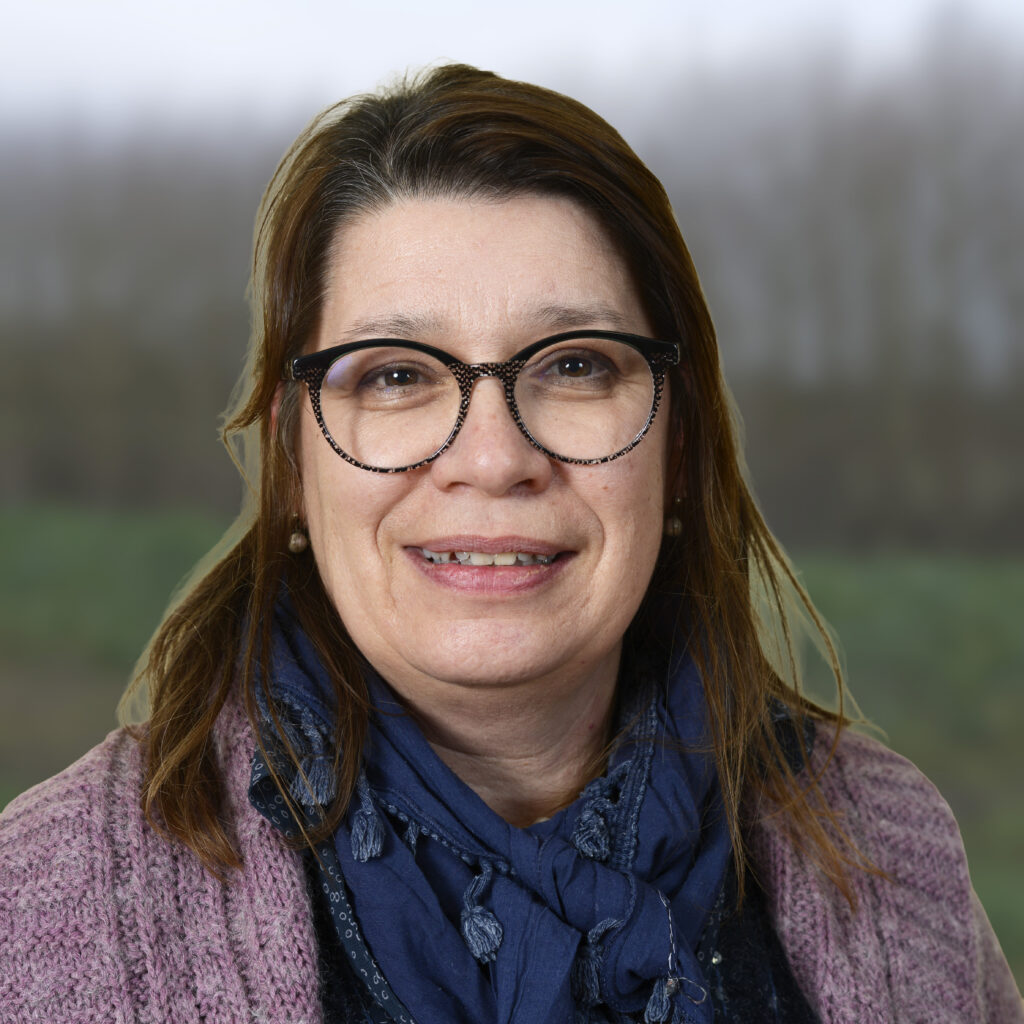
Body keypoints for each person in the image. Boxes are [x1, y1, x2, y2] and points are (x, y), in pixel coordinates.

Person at [1, 64, 1019, 1024]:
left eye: (574, 365)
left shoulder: (893, 855)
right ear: (291, 462)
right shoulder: (39, 906)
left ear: (679, 442)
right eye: (395, 375)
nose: (492, 460)